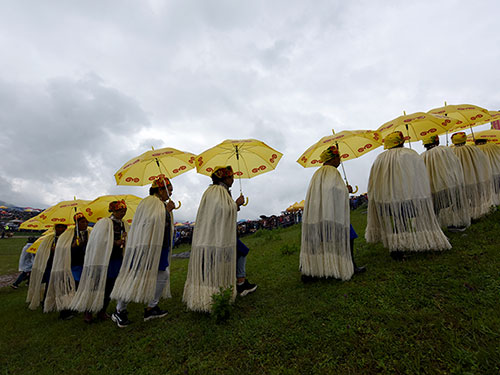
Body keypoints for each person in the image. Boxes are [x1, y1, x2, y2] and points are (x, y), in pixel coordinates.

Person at [365, 131, 451, 260]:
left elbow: (374, 181)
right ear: (402, 142)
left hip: (387, 197)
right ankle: (403, 246)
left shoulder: (380, 158)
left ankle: (397, 248)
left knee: (398, 221)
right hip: (406, 196)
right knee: (404, 221)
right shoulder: (409, 154)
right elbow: (418, 176)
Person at [183, 165, 255, 313]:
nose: (233, 180)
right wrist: (236, 204)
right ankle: (238, 285)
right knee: (235, 254)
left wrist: (234, 206)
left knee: (230, 256)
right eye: (231, 177)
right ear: (224, 178)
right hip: (217, 237)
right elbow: (222, 210)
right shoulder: (217, 192)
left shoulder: (215, 192)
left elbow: (223, 210)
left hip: (216, 236)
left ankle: (235, 284)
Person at [110, 178, 175, 328]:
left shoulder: (160, 204)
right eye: (169, 189)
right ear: (160, 190)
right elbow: (150, 222)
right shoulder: (150, 203)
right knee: (135, 276)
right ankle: (119, 310)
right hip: (146, 247)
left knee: (163, 274)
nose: (171, 192)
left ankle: (151, 308)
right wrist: (167, 211)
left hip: (159, 247)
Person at [300, 145, 362, 281]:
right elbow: (335, 192)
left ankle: (312, 270)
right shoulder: (332, 172)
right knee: (349, 236)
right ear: (333, 159)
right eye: (338, 157)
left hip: (317, 215)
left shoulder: (317, 174)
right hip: (331, 214)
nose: (340, 160)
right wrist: (347, 190)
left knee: (319, 241)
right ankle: (349, 265)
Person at [70, 200, 129, 323]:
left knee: (110, 286)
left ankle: (102, 311)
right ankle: (88, 311)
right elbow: (99, 241)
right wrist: (114, 242)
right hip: (103, 260)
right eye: (120, 210)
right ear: (113, 210)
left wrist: (124, 239)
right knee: (96, 285)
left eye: (124, 211)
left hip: (116, 259)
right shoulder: (104, 223)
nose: (122, 213)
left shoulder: (123, 224)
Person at [44, 213, 91, 319]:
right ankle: (65, 312)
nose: (85, 224)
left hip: (82, 264)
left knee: (79, 287)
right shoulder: (68, 234)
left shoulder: (89, 233)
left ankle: (75, 306)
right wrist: (72, 246)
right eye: (82, 222)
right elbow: (61, 249)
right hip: (70, 265)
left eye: (86, 222)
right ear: (77, 223)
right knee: (69, 288)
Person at [421, 134, 471, 231]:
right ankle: (457, 223)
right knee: (457, 203)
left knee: (435, 209)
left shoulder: (422, 157)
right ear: (437, 141)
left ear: (424, 144)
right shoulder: (445, 150)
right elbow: (455, 165)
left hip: (433, 189)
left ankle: (434, 228)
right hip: (450, 185)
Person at [450, 132, 494, 219]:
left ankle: (465, 217)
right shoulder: (473, 149)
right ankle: (477, 215)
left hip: (461, 181)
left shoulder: (452, 152)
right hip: (474, 178)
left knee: (462, 199)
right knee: (475, 198)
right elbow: (482, 162)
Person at [26, 224, 68, 310]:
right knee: (50, 284)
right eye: (59, 227)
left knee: (62, 284)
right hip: (50, 265)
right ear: (55, 228)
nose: (61, 229)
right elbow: (43, 252)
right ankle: (46, 302)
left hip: (63, 265)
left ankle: (60, 303)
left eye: (63, 227)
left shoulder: (68, 238)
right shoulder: (49, 239)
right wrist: (51, 250)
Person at [474, 138, 500, 206]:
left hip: (484, 175)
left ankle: (492, 205)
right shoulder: (493, 146)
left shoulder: (476, 149)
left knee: (488, 193)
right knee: (497, 190)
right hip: (496, 171)